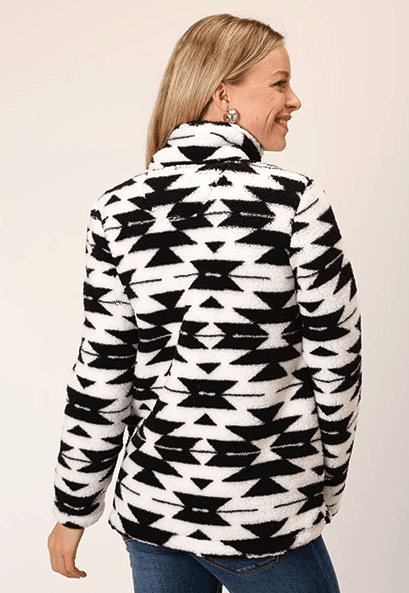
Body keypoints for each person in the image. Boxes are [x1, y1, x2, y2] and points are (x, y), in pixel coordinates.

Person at [47, 13, 363, 593]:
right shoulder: (295, 202)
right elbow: (337, 363)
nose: (294, 100)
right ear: (223, 94)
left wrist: (74, 508)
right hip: (262, 510)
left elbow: (102, 371)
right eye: (279, 83)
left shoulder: (118, 210)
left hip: (154, 512)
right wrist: (325, 484)